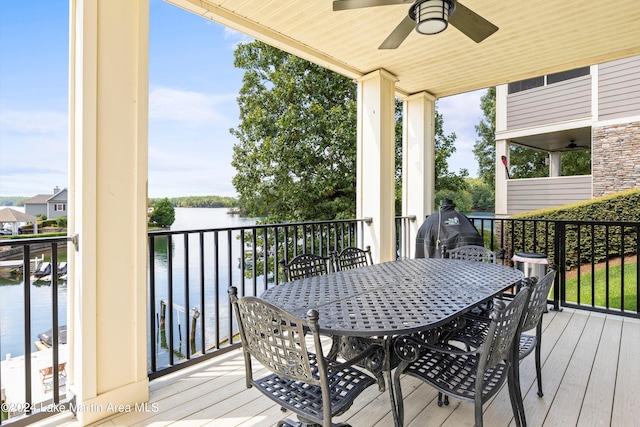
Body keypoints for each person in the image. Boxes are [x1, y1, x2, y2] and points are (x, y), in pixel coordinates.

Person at [415, 198, 484, 258]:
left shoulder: (432, 219)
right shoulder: (462, 217)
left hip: (442, 265)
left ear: (441, 206)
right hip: (468, 266)